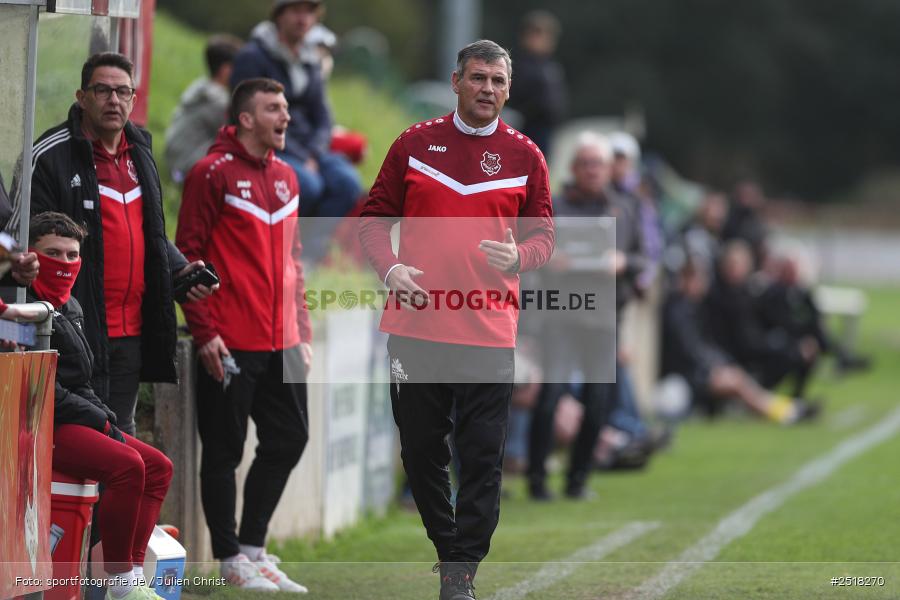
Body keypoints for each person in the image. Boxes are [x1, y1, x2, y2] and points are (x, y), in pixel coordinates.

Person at [359, 40, 554, 600]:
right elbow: (373, 220)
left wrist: (520, 256)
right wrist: (390, 268)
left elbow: (544, 236)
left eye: (497, 80)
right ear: (456, 81)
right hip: (416, 329)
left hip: (488, 332)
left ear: (508, 89)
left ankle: (460, 571)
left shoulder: (526, 155)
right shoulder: (414, 144)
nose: (487, 89)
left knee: (483, 457)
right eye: (478, 78)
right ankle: (449, 550)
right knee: (421, 452)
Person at [21, 52, 214, 435]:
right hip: (74, 329)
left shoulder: (140, 149)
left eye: (123, 91)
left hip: (130, 332)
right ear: (82, 97)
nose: (114, 100)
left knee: (121, 434)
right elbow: (26, 237)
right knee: (77, 439)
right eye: (103, 90)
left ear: (133, 97)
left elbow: (150, 230)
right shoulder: (49, 154)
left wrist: (179, 268)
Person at [176, 78, 312, 593]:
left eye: (286, 107)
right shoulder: (210, 173)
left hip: (283, 341)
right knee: (224, 452)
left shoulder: (287, 175)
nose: (286, 117)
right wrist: (205, 331)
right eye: (273, 108)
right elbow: (187, 257)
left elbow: (294, 259)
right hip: (229, 340)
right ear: (246, 119)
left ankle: (253, 548)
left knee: (290, 437)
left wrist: (302, 330)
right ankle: (229, 558)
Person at [28, 211, 173, 600]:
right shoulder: (23, 305)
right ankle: (120, 583)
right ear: (30, 256)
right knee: (128, 466)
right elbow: (43, 388)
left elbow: (81, 379)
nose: (65, 262)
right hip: (41, 423)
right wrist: (101, 421)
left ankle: (130, 575)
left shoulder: (70, 305)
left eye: (73, 254)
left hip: (73, 417)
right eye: (53, 253)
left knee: (159, 467)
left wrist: (104, 418)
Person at [527, 132, 645, 500]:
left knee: (598, 401)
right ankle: (536, 479)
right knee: (551, 395)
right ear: (574, 168)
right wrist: (549, 259)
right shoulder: (553, 208)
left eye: (599, 164)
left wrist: (623, 262)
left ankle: (577, 479)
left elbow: (643, 259)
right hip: (561, 315)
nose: (593, 170)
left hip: (603, 319)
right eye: (586, 163)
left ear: (610, 169)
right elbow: (527, 255)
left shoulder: (625, 209)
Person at [231, 0, 361, 261]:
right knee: (308, 186)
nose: (303, 19)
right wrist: (303, 156)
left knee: (348, 183)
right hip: (270, 144)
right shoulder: (254, 56)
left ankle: (309, 256)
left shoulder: (311, 60)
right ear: (279, 15)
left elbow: (323, 117)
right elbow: (247, 114)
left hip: (309, 149)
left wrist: (313, 152)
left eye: (309, 12)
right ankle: (278, 253)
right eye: (296, 11)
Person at [661, 258, 818, 423]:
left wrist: (721, 362)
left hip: (700, 370)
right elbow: (689, 349)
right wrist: (713, 367)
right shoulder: (678, 311)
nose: (704, 284)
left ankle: (788, 409)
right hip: (688, 376)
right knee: (737, 382)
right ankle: (787, 413)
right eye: (700, 279)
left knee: (739, 378)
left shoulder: (693, 307)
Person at [165, 34, 244, 182]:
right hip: (187, 168)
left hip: (176, 161)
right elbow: (240, 138)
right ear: (226, 70)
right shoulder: (218, 102)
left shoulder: (202, 86)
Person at [504, 10, 566, 159]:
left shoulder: (550, 66)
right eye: (538, 34)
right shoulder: (517, 65)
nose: (544, 40)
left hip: (548, 129)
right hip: (527, 129)